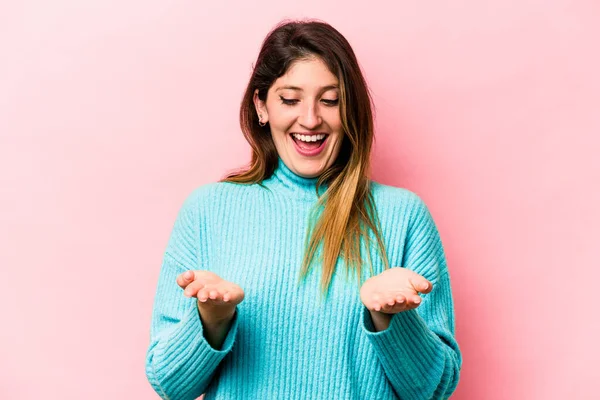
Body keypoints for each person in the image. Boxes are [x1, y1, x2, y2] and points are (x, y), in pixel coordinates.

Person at [145, 19, 462, 400]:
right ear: (261, 106)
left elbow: (435, 389)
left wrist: (391, 319)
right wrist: (210, 321)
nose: (310, 119)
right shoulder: (207, 210)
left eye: (330, 100)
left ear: (350, 110)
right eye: (290, 99)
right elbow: (168, 383)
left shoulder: (404, 216)